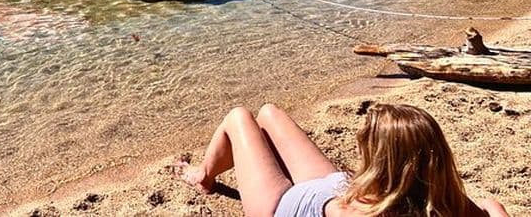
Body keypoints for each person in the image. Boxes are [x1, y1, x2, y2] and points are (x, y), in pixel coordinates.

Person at [177, 103, 509, 216]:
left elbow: (338, 206)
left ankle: (204, 176)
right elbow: (493, 208)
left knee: (239, 117)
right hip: (334, 186)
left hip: (285, 205)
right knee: (268, 113)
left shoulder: (354, 210)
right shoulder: (442, 198)